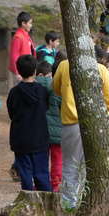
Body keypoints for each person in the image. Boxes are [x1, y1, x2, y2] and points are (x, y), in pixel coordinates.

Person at [50, 52, 109, 208]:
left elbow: (56, 89)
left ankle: (68, 204)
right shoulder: (101, 69)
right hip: (96, 123)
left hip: (71, 123)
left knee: (69, 164)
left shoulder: (64, 65)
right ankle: (89, 204)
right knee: (92, 166)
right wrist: (102, 115)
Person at [6, 54, 53, 192]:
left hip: (21, 139)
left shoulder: (14, 92)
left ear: (19, 72)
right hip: (40, 138)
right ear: (35, 71)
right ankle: (45, 202)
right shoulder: (43, 91)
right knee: (42, 173)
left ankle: (28, 203)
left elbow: (11, 114)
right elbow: (47, 108)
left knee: (25, 174)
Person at [35, 58, 64, 193]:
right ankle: (55, 184)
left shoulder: (35, 86)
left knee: (42, 158)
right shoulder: (58, 87)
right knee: (57, 160)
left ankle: (40, 183)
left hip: (41, 129)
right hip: (58, 129)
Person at [9, 12, 34, 89]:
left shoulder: (26, 35)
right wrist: (17, 72)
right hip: (20, 70)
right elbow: (14, 55)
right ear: (23, 23)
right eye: (30, 23)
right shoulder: (18, 37)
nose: (31, 25)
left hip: (26, 68)